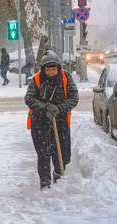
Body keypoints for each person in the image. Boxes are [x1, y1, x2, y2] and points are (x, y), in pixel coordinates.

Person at [24, 50, 79, 190]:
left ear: (58, 68)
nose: (51, 72)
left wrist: (59, 108)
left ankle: (58, 175)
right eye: (48, 69)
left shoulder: (66, 78)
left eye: (54, 69)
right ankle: (45, 183)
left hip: (61, 123)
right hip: (40, 123)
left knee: (62, 153)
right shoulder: (36, 80)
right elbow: (29, 98)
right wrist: (45, 108)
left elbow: (74, 98)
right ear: (43, 69)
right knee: (43, 154)